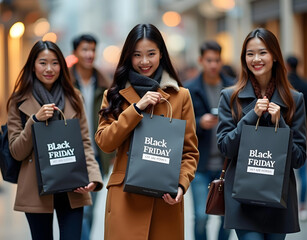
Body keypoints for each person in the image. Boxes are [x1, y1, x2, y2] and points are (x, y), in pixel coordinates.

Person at [95, 23, 199, 240]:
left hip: (164, 200)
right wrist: (136, 109)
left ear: (161, 53)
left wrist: (181, 184)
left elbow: (189, 152)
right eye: (137, 55)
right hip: (125, 198)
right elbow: (105, 142)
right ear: (128, 57)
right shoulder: (114, 94)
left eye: (151, 54)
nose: (144, 61)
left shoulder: (181, 96)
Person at [6, 40, 103, 240]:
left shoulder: (74, 97)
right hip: (36, 187)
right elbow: (16, 151)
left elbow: (84, 141)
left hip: (73, 185)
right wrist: (34, 121)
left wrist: (93, 176)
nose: (49, 69)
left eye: (55, 63)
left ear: (62, 65)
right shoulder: (18, 101)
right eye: (43, 63)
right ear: (33, 65)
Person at [216, 28, 306, 240]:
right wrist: (250, 117)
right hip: (243, 198)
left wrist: (281, 124)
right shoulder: (230, 97)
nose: (256, 59)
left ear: (274, 56)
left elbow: (298, 158)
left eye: (262, 52)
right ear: (244, 58)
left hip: (278, 198)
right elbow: (225, 147)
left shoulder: (294, 99)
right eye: (250, 53)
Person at [185, 40, 234, 240]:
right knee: (200, 216)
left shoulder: (233, 87)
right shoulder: (190, 89)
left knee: (228, 217)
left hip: (227, 163)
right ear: (201, 61)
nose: (213, 64)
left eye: (216, 60)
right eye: (209, 60)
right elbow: (181, 124)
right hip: (200, 164)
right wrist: (199, 122)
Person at [69, 34, 115, 240]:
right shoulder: (66, 83)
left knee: (92, 208)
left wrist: (111, 152)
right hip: (72, 153)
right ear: (75, 52)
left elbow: (113, 120)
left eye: (92, 50)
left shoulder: (104, 84)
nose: (89, 54)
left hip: (98, 154)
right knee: (82, 209)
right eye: (84, 49)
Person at [286, 55, 307, 221]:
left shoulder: (285, 86)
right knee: (302, 172)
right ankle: (301, 205)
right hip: (302, 129)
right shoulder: (304, 84)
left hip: (283, 131)